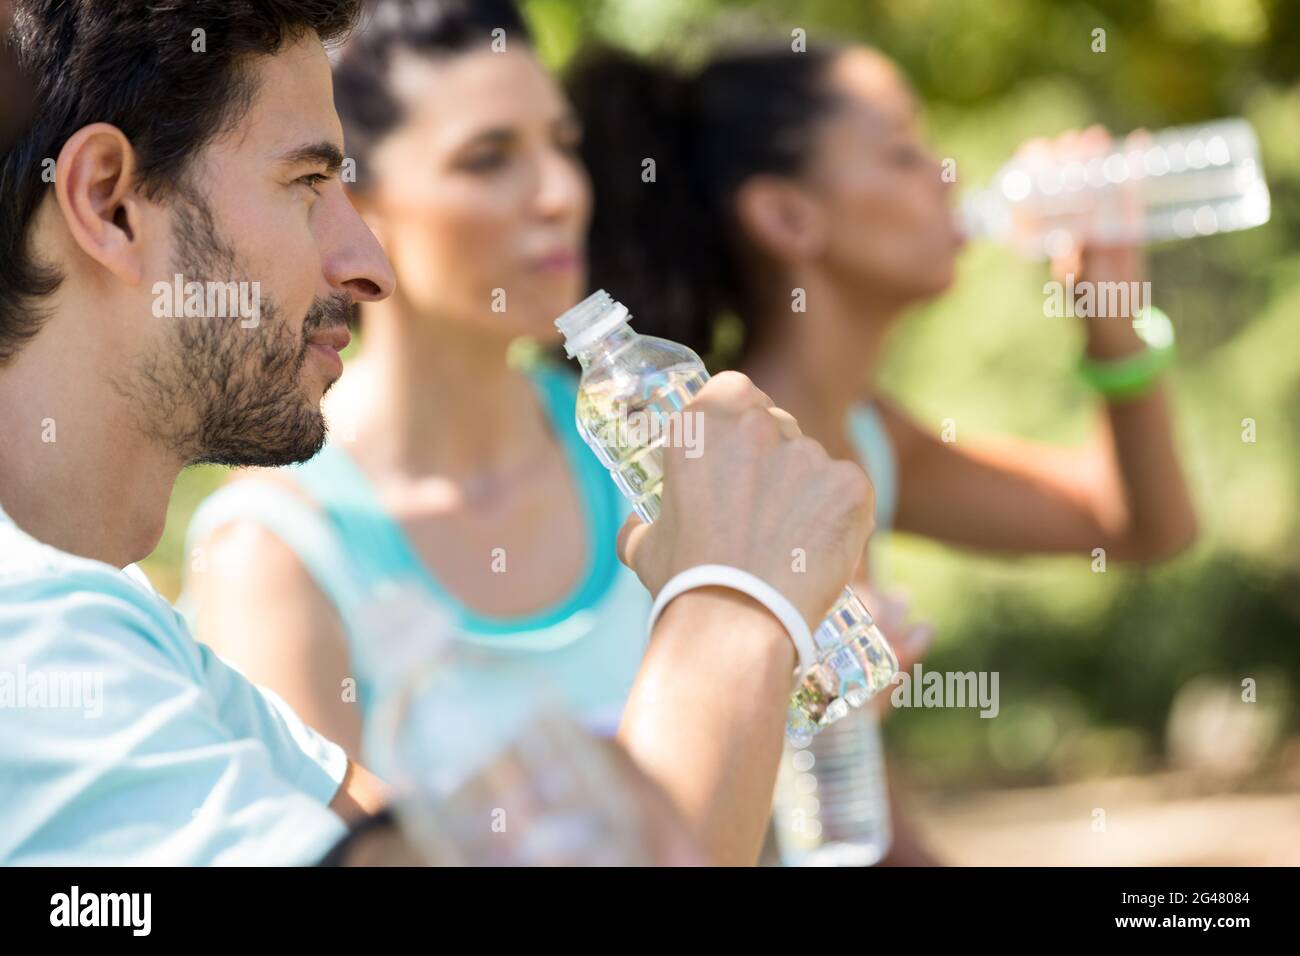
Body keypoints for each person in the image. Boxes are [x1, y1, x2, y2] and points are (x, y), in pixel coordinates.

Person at [0, 0, 875, 867]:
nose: (364, 266)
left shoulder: (128, 629)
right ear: (107, 202)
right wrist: (733, 610)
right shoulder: (32, 636)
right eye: (308, 184)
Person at [572, 41, 1198, 863]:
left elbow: (1134, 525)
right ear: (788, 218)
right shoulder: (714, 455)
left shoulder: (867, 431)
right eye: (904, 152)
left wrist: (1110, 303)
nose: (946, 177)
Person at [183, 0, 649, 760]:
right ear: (354, 204)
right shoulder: (277, 551)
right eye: (489, 157)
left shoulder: (641, 445)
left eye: (563, 145)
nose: (561, 192)